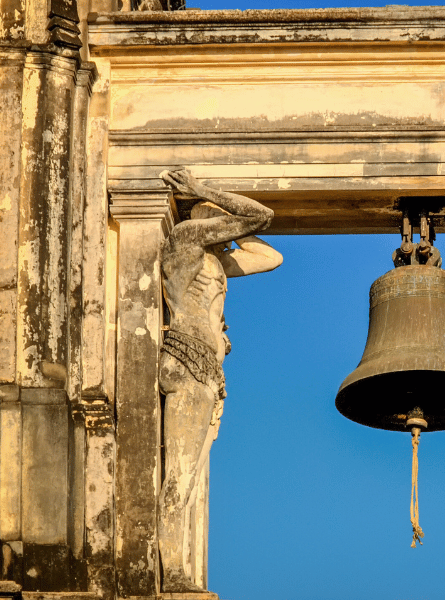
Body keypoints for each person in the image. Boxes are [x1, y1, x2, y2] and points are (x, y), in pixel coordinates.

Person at [158, 169, 283, 592]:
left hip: (209, 371)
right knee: (180, 475)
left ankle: (175, 570)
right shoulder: (185, 241)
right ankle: (171, 575)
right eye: (218, 218)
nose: (225, 229)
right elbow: (259, 215)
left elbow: (270, 257)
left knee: (190, 477)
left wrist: (224, 220)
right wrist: (202, 192)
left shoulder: (214, 261)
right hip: (189, 361)